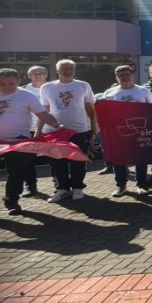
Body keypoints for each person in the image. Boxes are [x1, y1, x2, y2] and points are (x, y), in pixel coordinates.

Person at [0, 68, 61, 215]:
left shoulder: (26, 96)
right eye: (2, 84)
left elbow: (42, 114)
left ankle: (12, 201)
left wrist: (57, 126)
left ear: (18, 81)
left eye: (11, 83)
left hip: (18, 141)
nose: (6, 87)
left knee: (16, 173)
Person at [38, 59, 97, 203]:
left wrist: (94, 130)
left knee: (78, 160)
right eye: (64, 68)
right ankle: (62, 189)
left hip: (80, 130)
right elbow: (44, 111)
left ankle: (77, 188)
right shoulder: (47, 87)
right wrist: (38, 130)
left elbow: (90, 109)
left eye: (71, 68)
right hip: (54, 132)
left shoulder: (83, 85)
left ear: (75, 70)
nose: (68, 71)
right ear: (57, 71)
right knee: (57, 162)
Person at [102, 65, 152, 197]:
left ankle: (142, 185)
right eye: (121, 75)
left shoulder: (143, 91)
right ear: (117, 77)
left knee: (141, 158)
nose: (124, 77)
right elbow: (103, 112)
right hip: (118, 132)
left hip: (140, 131)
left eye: (127, 74)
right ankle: (121, 185)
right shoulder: (110, 93)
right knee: (119, 159)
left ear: (133, 76)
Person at [22, 65, 49, 196]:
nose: (38, 75)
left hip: (50, 128)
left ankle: (61, 186)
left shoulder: (51, 89)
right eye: (35, 73)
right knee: (28, 160)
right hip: (30, 130)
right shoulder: (22, 91)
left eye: (41, 73)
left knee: (55, 158)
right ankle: (30, 186)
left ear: (46, 75)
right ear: (29, 76)